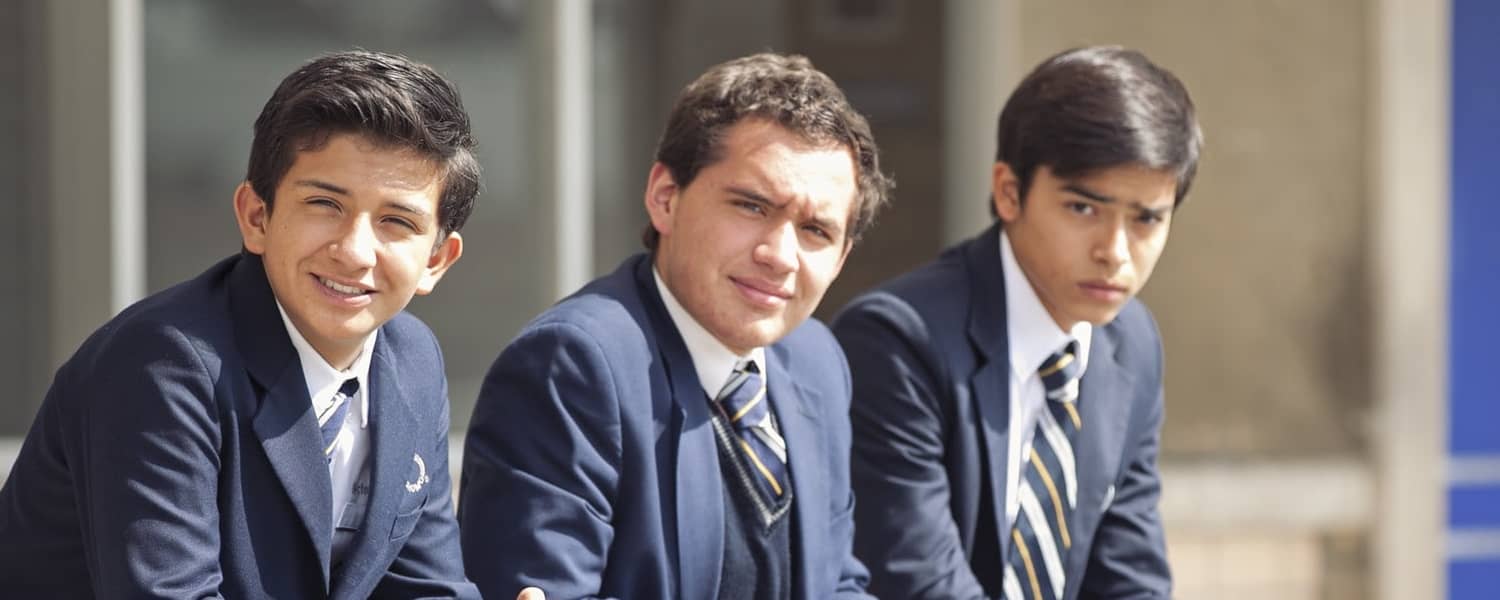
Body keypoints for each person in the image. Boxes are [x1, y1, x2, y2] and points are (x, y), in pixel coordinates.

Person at [0, 50, 482, 599]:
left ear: (437, 261)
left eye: (396, 221)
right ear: (256, 217)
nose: (354, 251)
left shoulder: (413, 357)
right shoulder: (163, 364)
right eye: (325, 203)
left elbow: (424, 586)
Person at [458, 52, 893, 600]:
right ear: (665, 198)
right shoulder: (571, 366)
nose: (780, 255)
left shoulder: (816, 359)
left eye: (816, 231)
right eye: (752, 206)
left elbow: (837, 583)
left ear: (842, 257)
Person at [831, 45, 1201, 600]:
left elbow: (1131, 576)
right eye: (1083, 208)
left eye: (1147, 219)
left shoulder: (1131, 344)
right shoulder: (898, 341)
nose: (1115, 251)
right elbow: (920, 583)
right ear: (1009, 191)